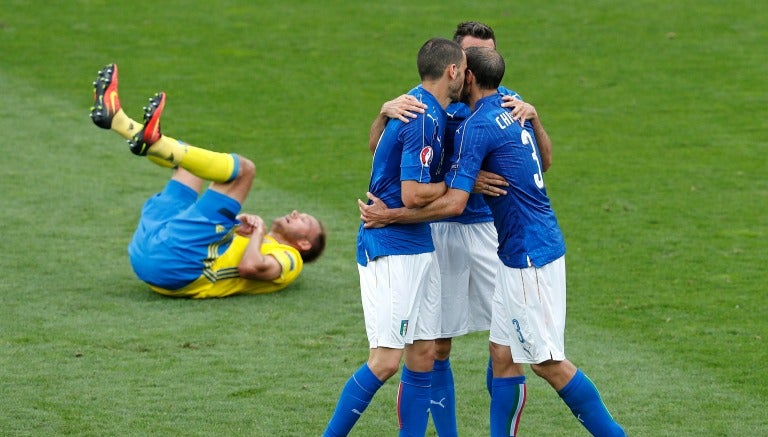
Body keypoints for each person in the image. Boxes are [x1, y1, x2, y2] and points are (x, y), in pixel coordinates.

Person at [360, 47, 625, 436]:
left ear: (467, 77)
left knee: (547, 363)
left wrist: (391, 215)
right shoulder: (512, 109)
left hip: (527, 256)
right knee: (502, 353)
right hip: (530, 246)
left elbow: (454, 203)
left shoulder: (477, 126)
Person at [366, 22, 553, 436]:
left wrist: (535, 120)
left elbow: (543, 162)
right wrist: (383, 112)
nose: (474, 66)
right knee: (434, 345)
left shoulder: (508, 103)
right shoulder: (430, 99)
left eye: (484, 56)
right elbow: (381, 149)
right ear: (456, 62)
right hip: (441, 229)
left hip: (491, 232)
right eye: (469, 56)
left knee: (506, 346)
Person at [322, 38, 466, 437]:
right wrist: (458, 183)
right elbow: (412, 194)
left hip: (417, 244)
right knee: (386, 361)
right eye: (463, 68)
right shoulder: (423, 116)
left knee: (422, 354)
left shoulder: (421, 107)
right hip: (390, 249)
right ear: (451, 71)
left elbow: (378, 148)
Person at [89, 64, 325, 299]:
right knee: (190, 164)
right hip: (149, 252)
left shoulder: (291, 259)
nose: (296, 212)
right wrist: (235, 225)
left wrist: (259, 233)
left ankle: (150, 141)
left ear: (304, 243)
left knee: (244, 170)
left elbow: (250, 267)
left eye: (304, 219)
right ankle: (120, 122)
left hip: (178, 269)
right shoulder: (255, 238)